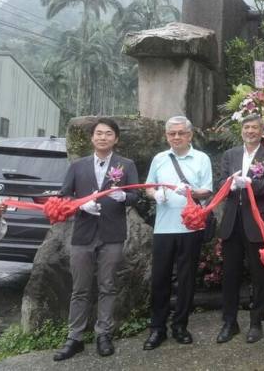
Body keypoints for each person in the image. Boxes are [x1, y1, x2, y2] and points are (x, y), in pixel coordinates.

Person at [53, 118, 140, 361]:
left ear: (116, 138)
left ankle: (104, 334)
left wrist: (125, 197)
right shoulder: (77, 166)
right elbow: (63, 199)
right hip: (82, 235)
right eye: (98, 133)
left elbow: (136, 195)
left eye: (108, 133)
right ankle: (75, 337)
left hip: (112, 235)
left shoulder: (126, 165)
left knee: (107, 286)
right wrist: (81, 206)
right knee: (80, 288)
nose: (103, 137)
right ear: (92, 138)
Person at [143, 116, 213, 350]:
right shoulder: (159, 159)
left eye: (181, 133)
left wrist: (191, 191)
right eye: (172, 133)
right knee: (160, 279)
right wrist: (156, 195)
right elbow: (148, 188)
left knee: (186, 280)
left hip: (190, 228)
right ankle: (157, 328)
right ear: (166, 136)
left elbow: (208, 190)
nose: (176, 137)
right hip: (163, 227)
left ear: (190, 135)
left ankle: (180, 325)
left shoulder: (202, 158)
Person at [215, 114, 264, 344]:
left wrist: (251, 183)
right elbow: (220, 183)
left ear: (262, 131)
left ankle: (256, 322)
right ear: (241, 130)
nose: (250, 131)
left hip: (256, 221)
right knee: (230, 274)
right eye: (246, 127)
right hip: (232, 221)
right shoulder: (230, 154)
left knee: (258, 274)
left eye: (254, 127)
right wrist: (231, 184)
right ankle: (229, 322)